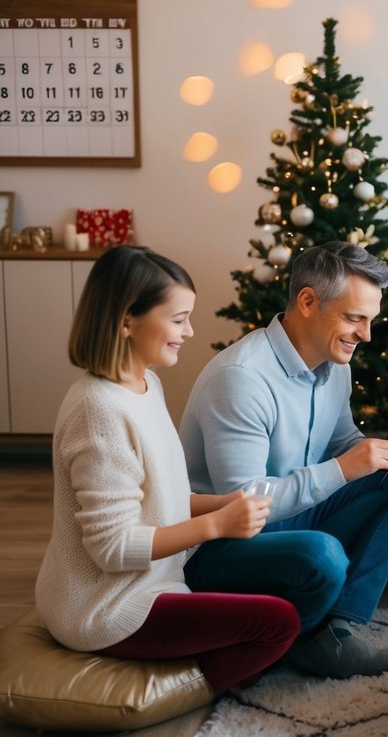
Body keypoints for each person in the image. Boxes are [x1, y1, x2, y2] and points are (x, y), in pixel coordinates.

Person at [180, 241, 388, 679]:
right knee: (323, 555)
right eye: (354, 318)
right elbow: (242, 502)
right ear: (308, 301)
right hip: (222, 543)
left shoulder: (334, 365)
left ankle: (332, 627)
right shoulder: (242, 379)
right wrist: (345, 468)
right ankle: (300, 639)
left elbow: (341, 443)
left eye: (370, 320)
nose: (365, 335)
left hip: (292, 518)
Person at [36, 246, 299, 697]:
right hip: (106, 607)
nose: (190, 331)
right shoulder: (98, 410)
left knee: (294, 582)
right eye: (178, 319)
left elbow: (161, 498)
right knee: (280, 624)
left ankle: (199, 662)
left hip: (160, 580)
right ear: (126, 321)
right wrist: (216, 525)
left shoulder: (144, 383)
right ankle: (178, 694)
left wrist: (223, 504)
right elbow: (112, 547)